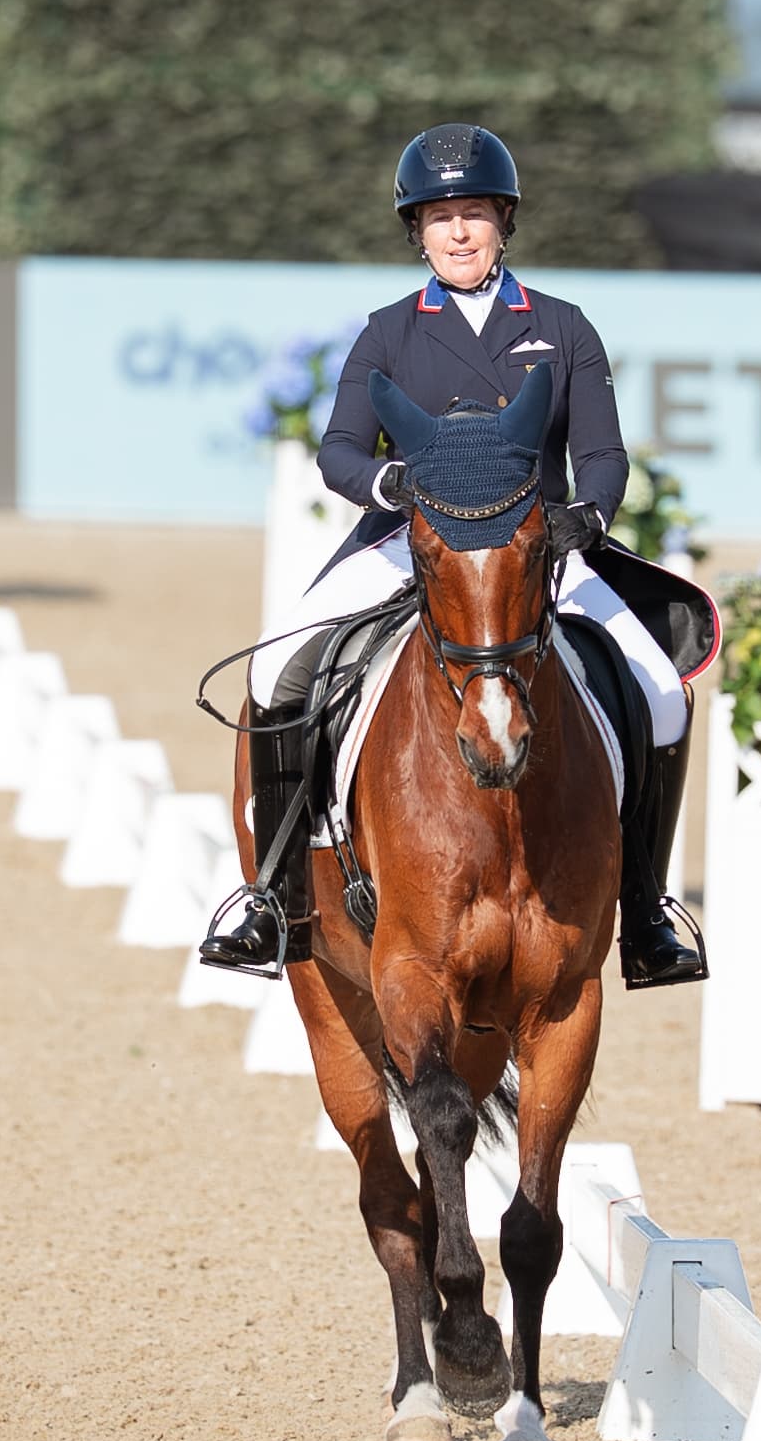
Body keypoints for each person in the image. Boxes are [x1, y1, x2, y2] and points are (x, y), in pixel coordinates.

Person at [197, 122, 707, 990]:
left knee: (659, 689)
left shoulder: (561, 326)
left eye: (474, 213)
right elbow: (341, 453)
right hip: (411, 544)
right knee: (278, 668)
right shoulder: (390, 332)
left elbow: (604, 452)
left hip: (532, 545)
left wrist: (589, 513)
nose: (459, 233)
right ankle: (274, 897)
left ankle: (648, 909)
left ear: (504, 221)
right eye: (439, 218)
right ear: (417, 233)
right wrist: (391, 487)